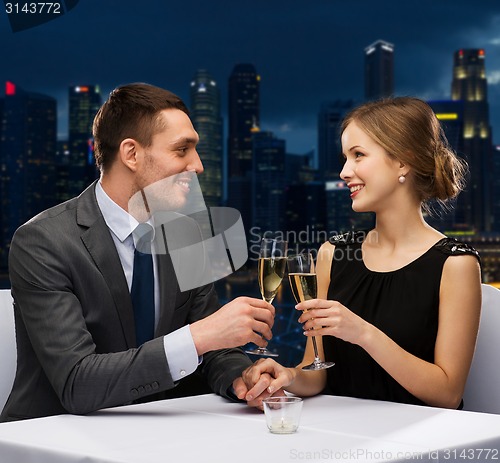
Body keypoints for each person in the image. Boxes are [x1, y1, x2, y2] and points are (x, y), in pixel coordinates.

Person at [1, 83, 275, 422]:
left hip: (156, 435)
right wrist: (197, 337)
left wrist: (242, 378)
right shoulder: (43, 242)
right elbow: (77, 383)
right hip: (49, 440)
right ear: (131, 154)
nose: (199, 165)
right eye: (182, 150)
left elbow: (215, 350)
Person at [234, 96, 482, 410]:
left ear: (403, 162)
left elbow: (447, 394)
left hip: (420, 444)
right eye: (345, 158)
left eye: (358, 155)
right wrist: (286, 376)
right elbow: (316, 372)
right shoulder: (332, 254)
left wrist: (362, 332)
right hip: (339, 435)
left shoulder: (455, 264)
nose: (344, 172)